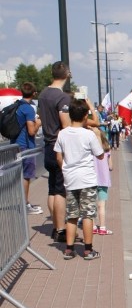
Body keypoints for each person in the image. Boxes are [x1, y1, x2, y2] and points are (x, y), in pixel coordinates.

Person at [54, 99, 105, 260]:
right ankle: (88, 250)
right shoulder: (88, 134)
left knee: (72, 215)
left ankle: (69, 249)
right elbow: (100, 154)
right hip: (87, 180)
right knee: (88, 215)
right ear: (85, 116)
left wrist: (65, 169)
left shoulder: (62, 134)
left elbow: (58, 156)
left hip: (70, 179)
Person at [37, 61, 73, 242]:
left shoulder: (43, 94)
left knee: (52, 189)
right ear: (67, 74)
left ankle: (55, 225)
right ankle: (61, 229)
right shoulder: (62, 98)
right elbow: (66, 126)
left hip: (47, 144)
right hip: (58, 146)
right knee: (61, 190)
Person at [15, 82, 43, 215]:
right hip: (26, 146)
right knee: (27, 176)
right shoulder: (28, 109)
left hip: (15, 143)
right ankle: (25, 204)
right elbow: (31, 131)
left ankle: (22, 201)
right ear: (33, 93)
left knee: (18, 175)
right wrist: (38, 123)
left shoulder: (17, 106)